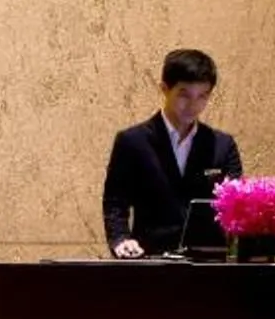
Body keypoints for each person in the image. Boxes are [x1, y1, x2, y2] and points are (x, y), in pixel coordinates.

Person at [102, 48, 245, 258]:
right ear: (164, 89)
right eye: (184, 95)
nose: (193, 105)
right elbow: (115, 201)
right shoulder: (132, 141)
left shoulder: (222, 145)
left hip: (208, 263)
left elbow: (235, 205)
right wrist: (121, 239)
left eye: (202, 96)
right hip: (150, 259)